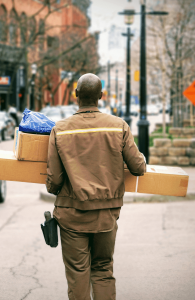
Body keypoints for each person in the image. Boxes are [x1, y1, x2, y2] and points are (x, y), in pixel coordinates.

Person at [46, 73, 146, 300]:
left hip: (72, 215)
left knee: (78, 273)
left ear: (76, 95)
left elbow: (55, 181)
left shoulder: (60, 130)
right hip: (106, 216)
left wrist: (54, 188)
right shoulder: (118, 126)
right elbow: (138, 167)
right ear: (101, 96)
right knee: (102, 269)